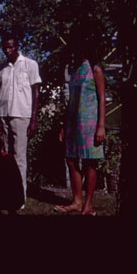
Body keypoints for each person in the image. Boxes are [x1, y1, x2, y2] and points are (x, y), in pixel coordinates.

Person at [54, 46, 105, 215]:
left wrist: (101, 125)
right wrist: (63, 125)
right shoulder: (74, 71)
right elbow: (70, 100)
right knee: (71, 159)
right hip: (73, 122)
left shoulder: (95, 69)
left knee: (90, 161)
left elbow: (102, 98)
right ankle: (76, 202)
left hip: (90, 122)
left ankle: (88, 205)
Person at [0, 34, 41, 199]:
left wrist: (33, 119)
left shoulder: (29, 65)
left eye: (11, 47)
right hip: (3, 114)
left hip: (21, 114)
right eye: (5, 47)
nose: (8, 51)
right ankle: (8, 192)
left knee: (19, 156)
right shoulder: (2, 68)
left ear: (17, 46)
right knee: (6, 156)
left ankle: (20, 195)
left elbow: (36, 93)